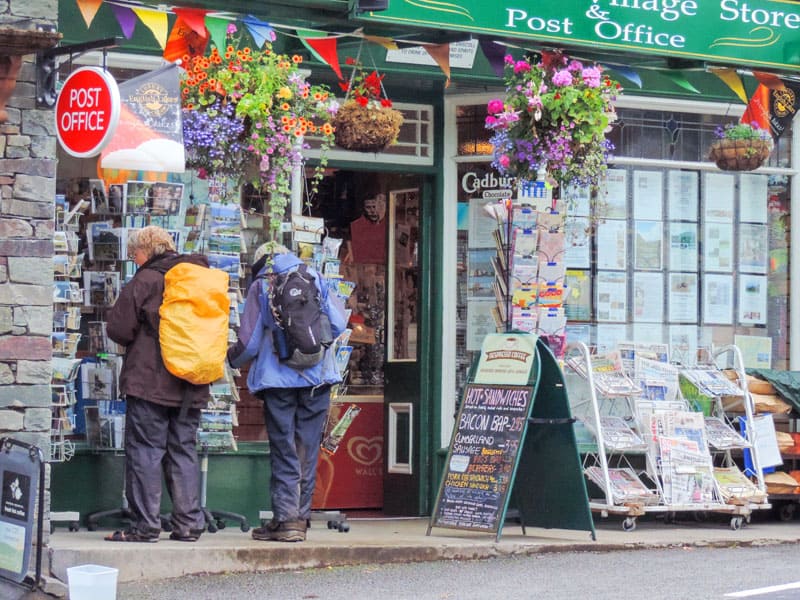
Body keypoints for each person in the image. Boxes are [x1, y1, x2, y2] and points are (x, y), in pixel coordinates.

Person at [228, 242, 347, 542]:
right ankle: (300, 519)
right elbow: (338, 323)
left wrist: (230, 359)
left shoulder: (261, 285)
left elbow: (251, 343)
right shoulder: (314, 277)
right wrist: (312, 348)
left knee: (284, 448)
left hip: (278, 382)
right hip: (317, 379)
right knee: (306, 448)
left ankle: (285, 519)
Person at [104, 226, 209, 543]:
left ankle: (146, 526)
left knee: (146, 452)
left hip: (150, 381)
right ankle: (188, 524)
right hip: (191, 381)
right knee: (183, 451)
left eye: (134, 253)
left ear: (147, 250)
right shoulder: (198, 277)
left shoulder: (146, 279)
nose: (133, 259)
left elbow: (119, 329)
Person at [345, 193, 387, 264]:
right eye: (368, 207)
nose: (373, 211)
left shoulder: (388, 226)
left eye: (375, 207)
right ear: (363, 209)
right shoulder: (354, 226)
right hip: (360, 268)